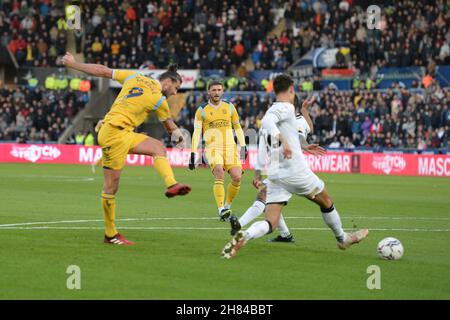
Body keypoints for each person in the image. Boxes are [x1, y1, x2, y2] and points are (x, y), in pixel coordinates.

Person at [221, 74, 368, 258]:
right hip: (295, 170)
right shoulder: (286, 108)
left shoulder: (273, 111)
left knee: (271, 221)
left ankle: (245, 234)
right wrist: (283, 139)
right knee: (325, 200)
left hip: (275, 174)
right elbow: (271, 125)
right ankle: (342, 238)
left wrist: (258, 173)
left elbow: (264, 139)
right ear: (291, 89)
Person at [62, 51, 191, 246]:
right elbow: (170, 127)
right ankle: (110, 234)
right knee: (111, 187)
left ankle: (172, 184)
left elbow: (103, 71)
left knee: (157, 147)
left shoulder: (134, 77)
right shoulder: (159, 100)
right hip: (114, 134)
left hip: (123, 133)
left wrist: (74, 64)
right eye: (176, 88)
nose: (175, 93)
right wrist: (182, 140)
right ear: (168, 82)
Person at [235, 94, 326, 242]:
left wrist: (304, 143)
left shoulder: (295, 121)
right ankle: (286, 235)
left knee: (264, 196)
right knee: (272, 201)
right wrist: (305, 111)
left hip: (290, 171)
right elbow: (263, 150)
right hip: (279, 171)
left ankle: (239, 225)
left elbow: (302, 135)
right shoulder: (275, 122)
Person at [189, 81, 247, 233]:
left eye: (219, 90)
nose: (216, 92)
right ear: (208, 91)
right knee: (219, 172)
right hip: (213, 148)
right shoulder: (201, 110)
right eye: (213, 90)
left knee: (237, 177)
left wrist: (243, 146)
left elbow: (238, 127)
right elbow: (196, 133)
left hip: (230, 148)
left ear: (222, 91)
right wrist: (193, 152)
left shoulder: (229, 107)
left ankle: (227, 206)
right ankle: (221, 209)